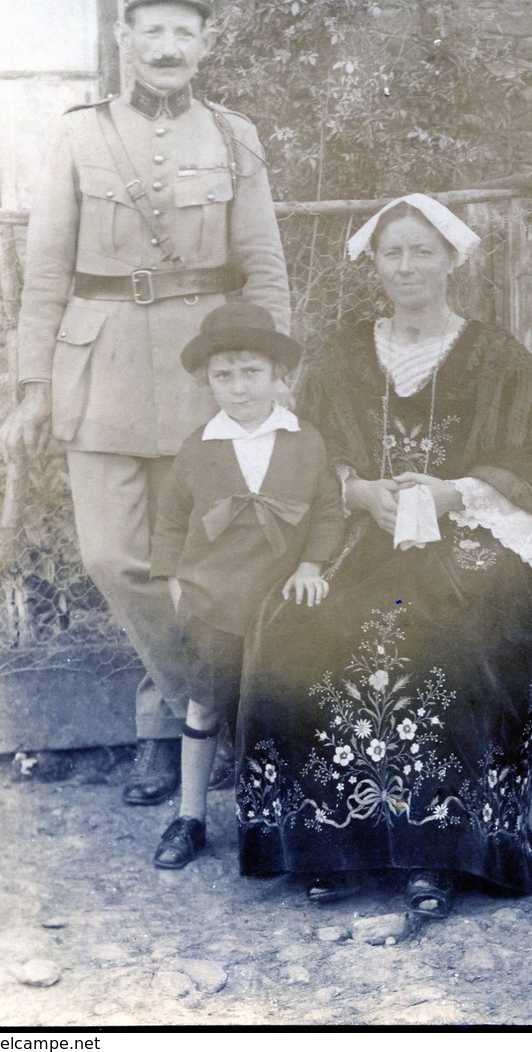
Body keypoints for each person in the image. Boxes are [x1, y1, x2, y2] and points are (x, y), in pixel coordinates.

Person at [236, 193, 532, 913]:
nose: (406, 266)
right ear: (373, 263)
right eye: (391, 252)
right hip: (356, 537)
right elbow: (306, 455)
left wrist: (453, 491)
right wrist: (355, 490)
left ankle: (440, 850)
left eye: (421, 251)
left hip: (468, 538)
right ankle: (327, 841)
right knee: (294, 624)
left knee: (453, 629)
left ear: (450, 261)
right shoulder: (339, 356)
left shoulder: (498, 358)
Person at [0, 0, 291, 805]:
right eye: (150, 31)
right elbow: (45, 269)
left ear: (206, 43)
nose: (167, 47)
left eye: (183, 31)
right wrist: (32, 383)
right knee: (113, 557)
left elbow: (264, 266)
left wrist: (275, 378)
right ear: (123, 41)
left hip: (211, 374)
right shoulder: (79, 135)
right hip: (101, 368)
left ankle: (162, 740)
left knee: (201, 560)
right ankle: (206, 709)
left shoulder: (235, 136)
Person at [147, 302, 344, 869]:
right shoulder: (198, 447)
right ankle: (190, 816)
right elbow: (170, 517)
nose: (238, 388)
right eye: (223, 375)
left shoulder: (305, 441)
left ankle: (291, 819)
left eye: (251, 372)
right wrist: (174, 578)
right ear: (209, 382)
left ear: (278, 375)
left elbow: (329, 512)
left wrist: (311, 566)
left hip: (280, 602)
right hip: (213, 599)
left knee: (284, 705)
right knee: (205, 702)